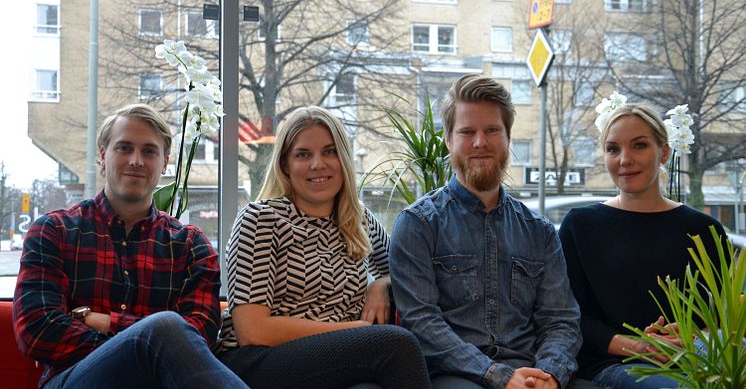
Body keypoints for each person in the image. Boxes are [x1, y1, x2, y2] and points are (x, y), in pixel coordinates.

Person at [12, 104, 248, 389]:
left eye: (149, 151)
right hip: (74, 380)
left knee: (167, 331)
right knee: (166, 328)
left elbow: (200, 335)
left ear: (164, 162)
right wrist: (145, 343)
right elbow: (38, 329)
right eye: (124, 148)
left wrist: (103, 321)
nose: (136, 160)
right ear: (103, 154)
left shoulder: (191, 246)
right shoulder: (54, 230)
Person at [389, 74, 582, 389]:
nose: (480, 142)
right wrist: (500, 377)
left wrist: (549, 375)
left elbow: (561, 321)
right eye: (467, 132)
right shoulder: (418, 224)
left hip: (531, 370)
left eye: (492, 130)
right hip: (455, 374)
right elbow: (423, 324)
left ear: (507, 136)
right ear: (449, 140)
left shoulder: (540, 231)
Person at [217, 106, 431, 389]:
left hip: (335, 360)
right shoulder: (261, 219)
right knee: (396, 344)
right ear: (285, 165)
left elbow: (403, 271)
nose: (318, 164)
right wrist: (355, 331)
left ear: (343, 160)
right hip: (262, 360)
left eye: (329, 152)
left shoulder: (358, 219)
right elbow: (252, 331)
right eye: (303, 154)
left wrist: (380, 285)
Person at [559, 102, 728, 389]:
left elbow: (722, 313)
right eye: (613, 149)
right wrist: (638, 347)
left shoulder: (704, 230)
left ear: (664, 152)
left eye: (639, 146)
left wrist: (693, 335)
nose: (625, 159)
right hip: (613, 363)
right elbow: (567, 316)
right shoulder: (581, 225)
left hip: (695, 357)